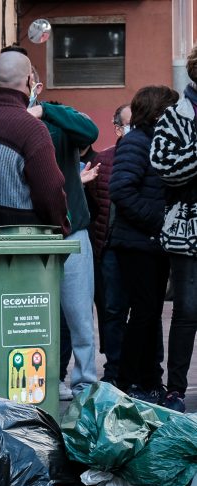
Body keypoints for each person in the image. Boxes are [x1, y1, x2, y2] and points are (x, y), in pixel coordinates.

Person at [108, 86, 179, 404]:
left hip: (153, 243)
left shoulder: (157, 141)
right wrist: (158, 220)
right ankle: (127, 382)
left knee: (148, 314)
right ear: (158, 112)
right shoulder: (136, 142)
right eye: (172, 109)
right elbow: (121, 191)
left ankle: (149, 380)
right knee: (142, 313)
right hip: (137, 243)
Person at [29, 88, 100, 397]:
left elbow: (90, 130)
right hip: (33, 237)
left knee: (80, 316)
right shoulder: (12, 122)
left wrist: (46, 111)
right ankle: (46, 380)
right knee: (39, 319)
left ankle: (85, 383)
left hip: (72, 233)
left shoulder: (59, 119)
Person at [0, 51, 68, 231]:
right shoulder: (32, 128)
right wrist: (61, 228)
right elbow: (50, 192)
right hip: (17, 242)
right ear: (29, 80)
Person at [151, 49, 197, 413]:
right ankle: (176, 389)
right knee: (187, 311)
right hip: (187, 230)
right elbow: (165, 166)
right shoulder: (174, 116)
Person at [88, 104, 131, 386]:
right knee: (112, 311)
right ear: (117, 128)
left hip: (143, 248)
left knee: (144, 313)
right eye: (130, 124)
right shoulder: (103, 162)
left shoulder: (156, 160)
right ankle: (114, 369)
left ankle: (145, 370)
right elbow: (94, 208)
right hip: (110, 248)